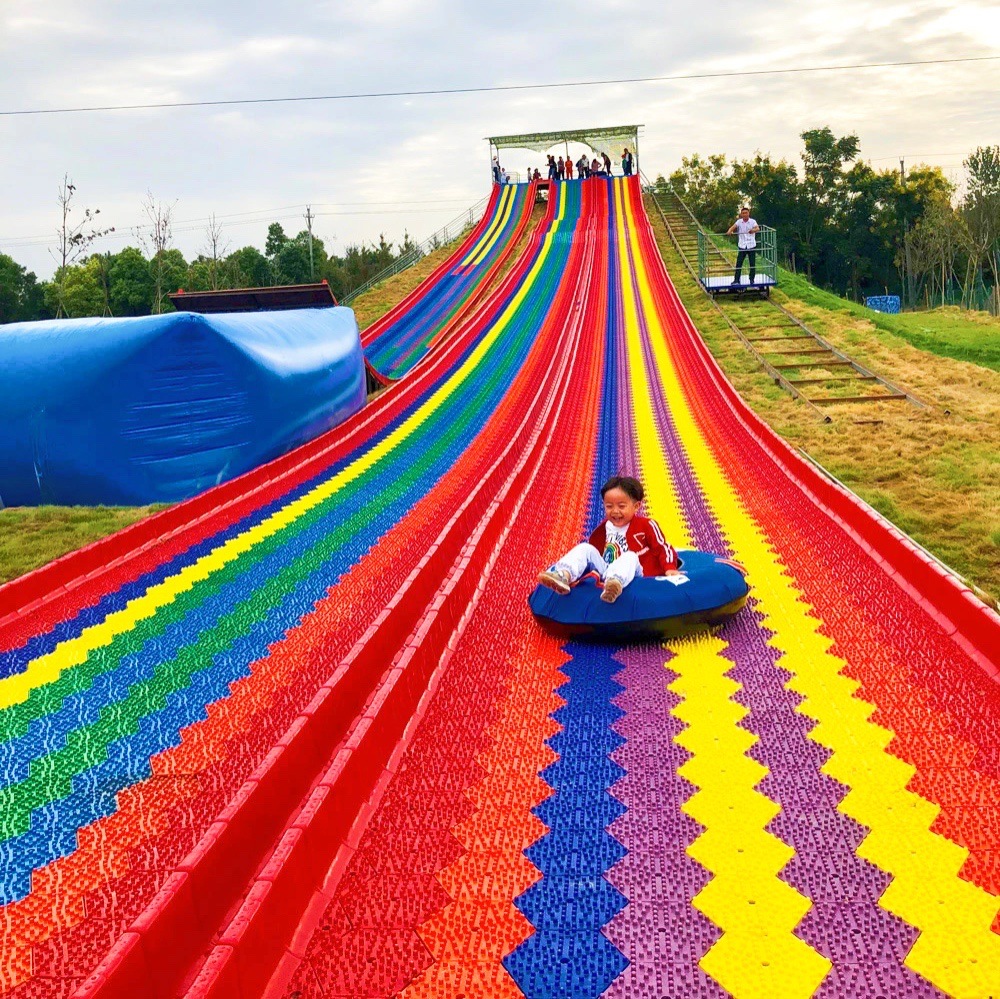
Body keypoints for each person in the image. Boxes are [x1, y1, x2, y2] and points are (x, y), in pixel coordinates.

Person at [537, 476, 678, 604]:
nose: (615, 511)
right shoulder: (606, 526)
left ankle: (614, 586)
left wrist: (670, 568)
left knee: (630, 556)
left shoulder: (646, 525)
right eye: (609, 506)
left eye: (621, 506)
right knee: (585, 548)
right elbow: (595, 550)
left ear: (636, 506)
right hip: (607, 569)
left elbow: (663, 547)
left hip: (634, 573)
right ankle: (563, 575)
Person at [727, 205, 761, 285]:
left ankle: (752, 279)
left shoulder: (753, 221)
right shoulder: (739, 221)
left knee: (752, 264)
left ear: (748, 213)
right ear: (741, 214)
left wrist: (753, 230)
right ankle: (736, 280)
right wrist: (730, 231)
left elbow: (757, 228)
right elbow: (733, 227)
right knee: (739, 263)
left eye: (746, 213)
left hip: (751, 245)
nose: (745, 214)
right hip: (742, 245)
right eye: (743, 213)